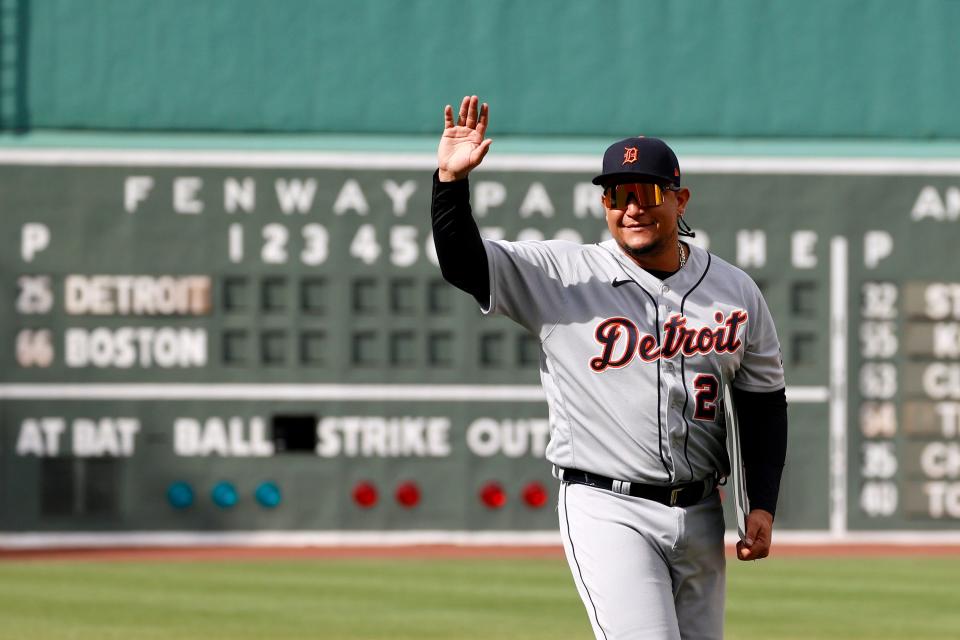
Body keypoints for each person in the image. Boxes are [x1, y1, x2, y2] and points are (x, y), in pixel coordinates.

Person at [431, 95, 788, 640]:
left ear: (679, 198)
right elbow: (463, 262)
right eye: (617, 195)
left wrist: (760, 503)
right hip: (606, 505)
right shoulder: (561, 274)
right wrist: (450, 183)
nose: (631, 208)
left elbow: (763, 401)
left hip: (701, 511)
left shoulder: (735, 290)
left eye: (645, 192)